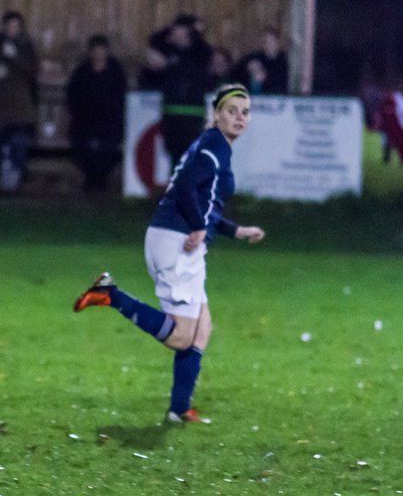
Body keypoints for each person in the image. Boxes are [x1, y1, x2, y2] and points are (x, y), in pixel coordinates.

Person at [72, 85, 265, 424]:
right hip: (176, 243)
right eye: (232, 110)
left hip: (175, 239)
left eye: (245, 112)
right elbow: (188, 186)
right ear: (217, 114)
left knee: (202, 329)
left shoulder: (212, 145)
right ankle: (110, 295)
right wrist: (198, 227)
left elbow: (204, 203)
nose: (239, 117)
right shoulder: (215, 146)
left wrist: (234, 230)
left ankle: (179, 409)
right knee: (180, 337)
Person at [145, 14, 212, 170]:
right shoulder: (168, 51)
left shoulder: (200, 53)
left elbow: (203, 52)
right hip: (171, 111)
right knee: (173, 152)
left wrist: (195, 31)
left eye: (182, 32)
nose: (177, 36)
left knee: (191, 153)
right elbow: (153, 39)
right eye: (175, 32)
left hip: (192, 112)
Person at [0, 11, 38, 192]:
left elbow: (31, 72)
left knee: (17, 143)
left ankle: (13, 179)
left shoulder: (27, 46)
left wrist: (15, 57)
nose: (12, 29)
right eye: (9, 26)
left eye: (16, 26)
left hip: (20, 106)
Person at [65, 34, 127, 192]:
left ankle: (99, 181)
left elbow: (120, 98)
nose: (98, 54)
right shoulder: (82, 72)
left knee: (107, 149)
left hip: (110, 123)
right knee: (81, 147)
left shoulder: (115, 72)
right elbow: (73, 97)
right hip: (84, 122)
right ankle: (92, 181)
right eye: (95, 51)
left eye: (101, 51)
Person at [234, 27, 289, 95]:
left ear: (278, 42)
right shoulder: (255, 57)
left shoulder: (283, 61)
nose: (268, 44)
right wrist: (247, 67)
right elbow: (235, 71)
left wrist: (265, 77)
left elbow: (282, 82)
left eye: (272, 41)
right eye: (265, 41)